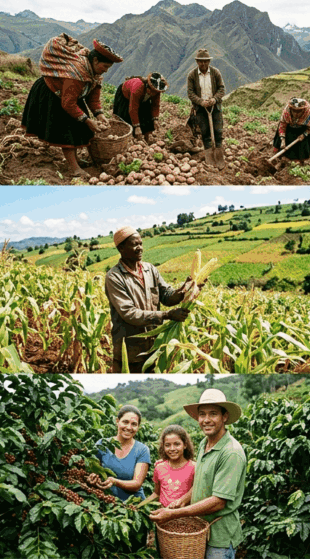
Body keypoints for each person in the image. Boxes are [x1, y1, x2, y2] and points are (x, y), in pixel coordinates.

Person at [150, 389, 247, 558]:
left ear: (224, 416)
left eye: (213, 414)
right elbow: (202, 481)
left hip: (219, 537)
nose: (206, 420)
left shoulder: (231, 453)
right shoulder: (204, 444)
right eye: (202, 414)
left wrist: (173, 514)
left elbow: (219, 502)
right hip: (199, 531)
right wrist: (183, 500)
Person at [21, 35, 122, 179]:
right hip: (52, 92)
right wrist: (87, 120)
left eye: (108, 68)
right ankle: (74, 168)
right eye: (105, 66)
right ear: (95, 60)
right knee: (67, 129)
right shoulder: (76, 73)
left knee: (77, 126)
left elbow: (93, 99)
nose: (106, 70)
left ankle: (76, 160)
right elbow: (68, 104)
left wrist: (99, 114)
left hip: (70, 95)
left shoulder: (95, 74)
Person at [104, 226, 198, 373]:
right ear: (121, 248)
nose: (140, 248)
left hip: (154, 349)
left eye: (141, 243)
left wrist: (185, 289)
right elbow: (129, 313)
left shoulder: (150, 270)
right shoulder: (114, 277)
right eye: (134, 244)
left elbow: (167, 296)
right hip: (130, 354)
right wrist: (167, 315)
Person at [149, 425, 195, 556]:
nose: (172, 448)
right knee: (164, 553)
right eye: (167, 445)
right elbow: (156, 493)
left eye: (177, 444)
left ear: (185, 445)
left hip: (185, 521)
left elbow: (197, 489)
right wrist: (141, 505)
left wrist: (183, 499)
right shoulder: (159, 468)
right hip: (164, 521)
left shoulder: (193, 467)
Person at [89, 405, 150, 501]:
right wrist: (93, 477)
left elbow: (136, 484)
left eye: (134, 424)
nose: (129, 427)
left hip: (133, 504)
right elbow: (94, 471)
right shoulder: (102, 444)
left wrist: (114, 481)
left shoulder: (142, 450)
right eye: (125, 422)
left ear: (138, 427)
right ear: (117, 421)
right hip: (107, 502)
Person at [186, 48, 225, 153]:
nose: (203, 64)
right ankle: (208, 152)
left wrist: (214, 99)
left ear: (209, 61)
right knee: (205, 132)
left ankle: (218, 152)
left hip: (215, 107)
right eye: (200, 61)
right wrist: (201, 102)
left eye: (205, 61)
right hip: (200, 108)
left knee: (218, 131)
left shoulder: (215, 73)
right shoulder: (192, 75)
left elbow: (221, 89)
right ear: (197, 61)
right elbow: (190, 93)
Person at [113, 72, 168, 144]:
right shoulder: (138, 88)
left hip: (142, 97)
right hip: (126, 96)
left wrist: (155, 119)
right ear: (148, 87)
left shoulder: (156, 91)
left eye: (155, 93)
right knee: (125, 118)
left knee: (146, 114)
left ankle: (146, 137)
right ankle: (129, 139)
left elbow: (155, 105)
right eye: (152, 92)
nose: (154, 94)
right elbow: (133, 109)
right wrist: (137, 126)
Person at [272, 97, 310, 167]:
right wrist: (282, 139)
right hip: (288, 128)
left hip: (302, 130)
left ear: (303, 110)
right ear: (291, 109)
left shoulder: (307, 113)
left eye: (299, 111)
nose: (296, 114)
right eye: (294, 111)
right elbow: (282, 125)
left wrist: (304, 135)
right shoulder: (287, 112)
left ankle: (298, 159)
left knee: (302, 145)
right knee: (281, 140)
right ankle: (279, 156)